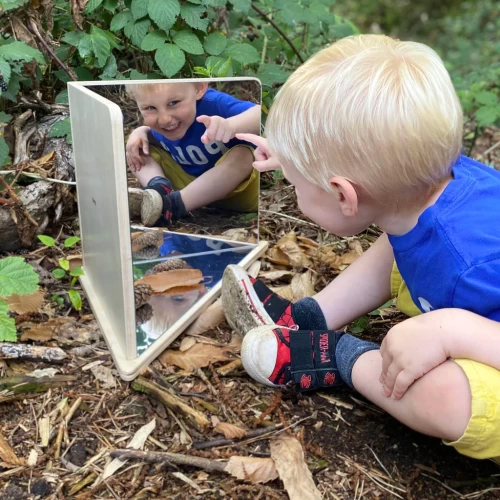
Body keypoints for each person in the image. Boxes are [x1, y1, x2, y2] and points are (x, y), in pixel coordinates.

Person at [222, 34, 500, 461]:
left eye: (295, 183)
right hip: (468, 305)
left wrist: (453, 331)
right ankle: (308, 318)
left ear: (342, 195)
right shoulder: (437, 182)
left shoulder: (473, 263)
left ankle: (342, 357)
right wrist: (296, 156)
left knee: (449, 398)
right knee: (402, 235)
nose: (292, 189)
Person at [125, 82, 261, 226]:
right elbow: (151, 139)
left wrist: (232, 125)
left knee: (243, 154)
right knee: (137, 147)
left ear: (199, 89)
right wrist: (141, 132)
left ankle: (172, 207)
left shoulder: (213, 104)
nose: (164, 119)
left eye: (173, 103)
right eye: (150, 108)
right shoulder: (163, 126)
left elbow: (260, 114)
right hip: (189, 190)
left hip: (239, 191)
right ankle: (159, 192)